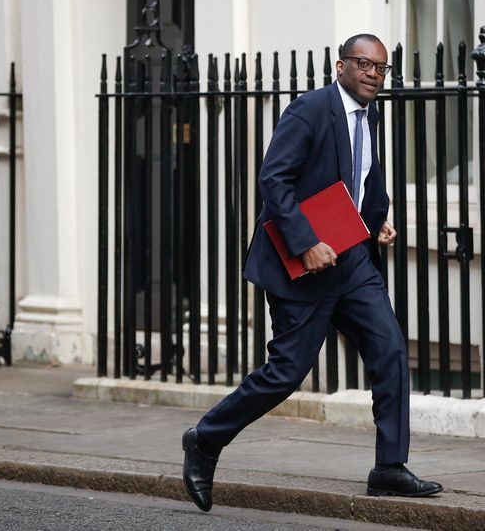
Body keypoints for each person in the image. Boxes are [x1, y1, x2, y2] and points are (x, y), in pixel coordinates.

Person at [181, 33, 442, 513]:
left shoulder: (370, 115)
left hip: (354, 260)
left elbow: (360, 176)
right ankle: (205, 439)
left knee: (389, 351)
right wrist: (306, 243)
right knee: (286, 373)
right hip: (304, 265)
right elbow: (273, 180)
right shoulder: (310, 109)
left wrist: (373, 220)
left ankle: (389, 468)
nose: (372, 74)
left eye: (380, 68)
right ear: (340, 65)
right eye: (362, 63)